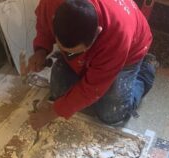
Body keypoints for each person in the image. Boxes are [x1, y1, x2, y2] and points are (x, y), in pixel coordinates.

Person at [27, 0, 158, 131]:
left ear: (97, 32)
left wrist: (50, 114)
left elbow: (93, 87)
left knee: (111, 113)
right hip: (98, 47)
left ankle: (146, 68)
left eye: (74, 52)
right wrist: (41, 50)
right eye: (63, 48)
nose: (68, 54)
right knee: (59, 93)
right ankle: (82, 62)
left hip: (130, 51)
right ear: (54, 17)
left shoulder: (117, 35)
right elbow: (44, 25)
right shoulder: (51, 3)